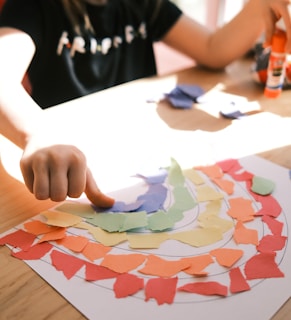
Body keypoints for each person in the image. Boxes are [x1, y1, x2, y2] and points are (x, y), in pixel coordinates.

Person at [0, 0, 290, 208]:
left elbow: (214, 50)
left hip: (140, 150)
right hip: (73, 165)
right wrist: (37, 134)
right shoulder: (32, 6)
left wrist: (258, 7)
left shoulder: (145, 4)